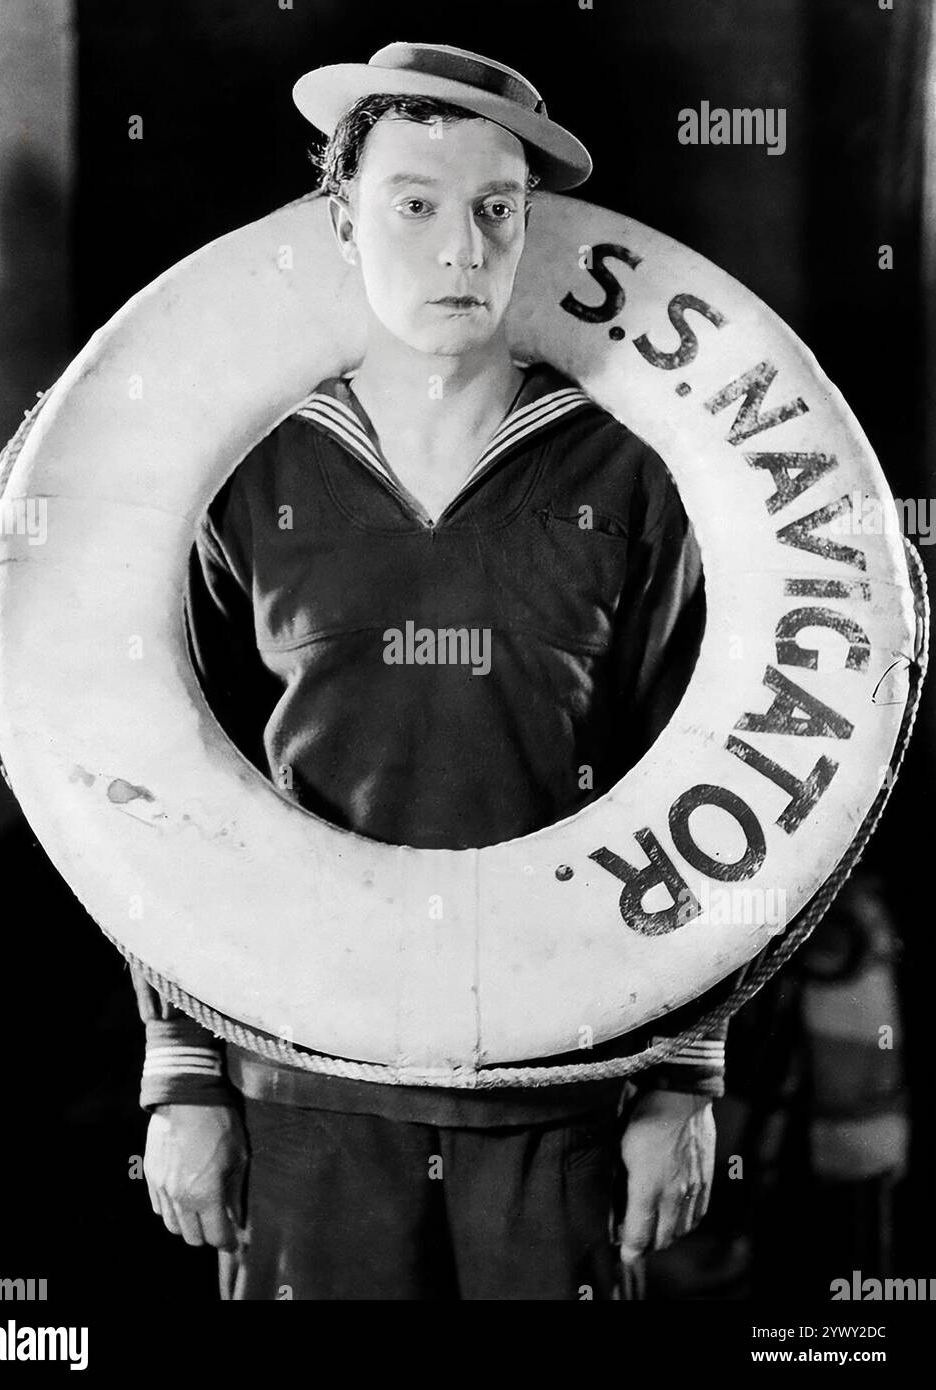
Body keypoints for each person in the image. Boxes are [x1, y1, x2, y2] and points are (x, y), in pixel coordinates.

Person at [133, 41, 728, 1301]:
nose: (461, 247)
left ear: (529, 231)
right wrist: (181, 1071)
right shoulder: (252, 475)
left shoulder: (626, 473)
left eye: (495, 211)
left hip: (562, 1082)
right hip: (300, 1081)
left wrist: (684, 1075)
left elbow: (712, 780)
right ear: (343, 222)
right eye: (415, 204)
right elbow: (165, 794)